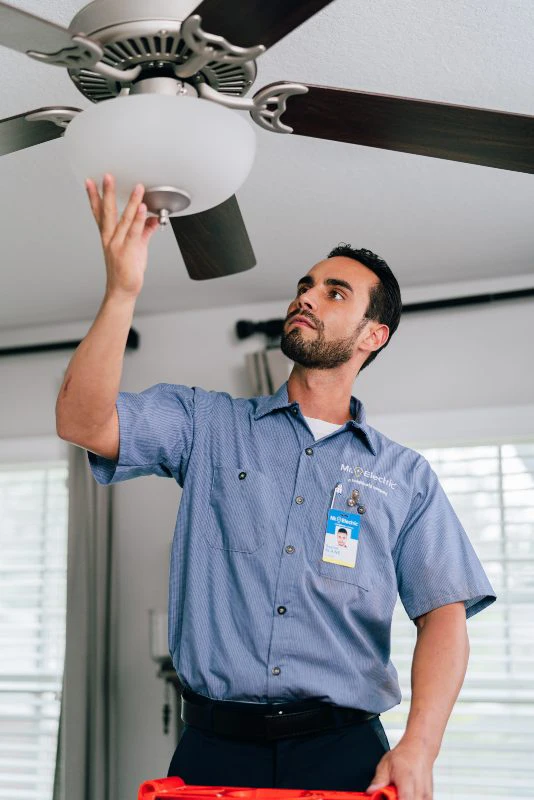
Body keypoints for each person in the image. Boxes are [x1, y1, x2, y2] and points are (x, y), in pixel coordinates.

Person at [56, 175, 496, 800]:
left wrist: (420, 746)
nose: (307, 297)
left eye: (334, 291)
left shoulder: (405, 476)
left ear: (373, 335)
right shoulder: (204, 424)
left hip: (345, 754)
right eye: (305, 286)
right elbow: (81, 422)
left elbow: (444, 616)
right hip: (212, 747)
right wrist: (123, 290)